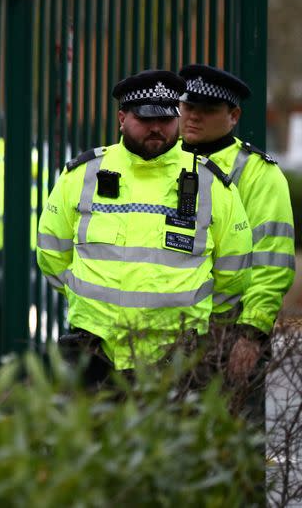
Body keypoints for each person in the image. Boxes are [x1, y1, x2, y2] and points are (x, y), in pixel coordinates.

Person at [36, 69, 253, 385]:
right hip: (96, 353)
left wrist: (195, 316)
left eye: (165, 119)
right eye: (145, 118)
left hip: (179, 357)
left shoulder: (212, 183)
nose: (156, 127)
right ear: (122, 118)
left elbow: (234, 273)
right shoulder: (82, 175)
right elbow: (51, 254)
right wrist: (86, 299)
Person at [178, 64, 295, 382]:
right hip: (162, 331)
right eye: (188, 105)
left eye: (208, 109)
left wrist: (251, 335)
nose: (193, 116)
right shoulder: (161, 162)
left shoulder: (258, 174)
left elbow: (271, 263)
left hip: (227, 332)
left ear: (234, 116)